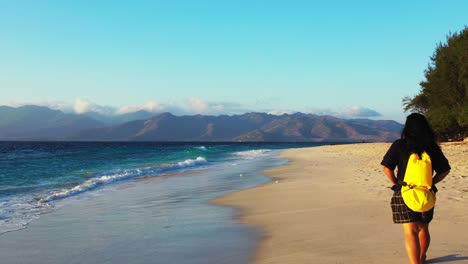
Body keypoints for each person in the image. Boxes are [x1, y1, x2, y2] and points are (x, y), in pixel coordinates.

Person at [381, 113, 451, 264]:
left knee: (410, 232)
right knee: (423, 229)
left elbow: (387, 167)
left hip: (405, 192)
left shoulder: (400, 145)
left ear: (407, 128)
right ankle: (422, 257)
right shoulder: (431, 147)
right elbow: (445, 170)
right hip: (426, 193)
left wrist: (396, 184)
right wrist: (431, 182)